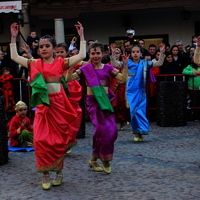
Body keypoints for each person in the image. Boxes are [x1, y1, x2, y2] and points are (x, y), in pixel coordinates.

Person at [10, 21, 86, 190]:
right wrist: (13, 38)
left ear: (53, 48)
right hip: (43, 106)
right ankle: (45, 174)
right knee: (41, 140)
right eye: (41, 47)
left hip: (59, 105)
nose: (43, 49)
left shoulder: (61, 62)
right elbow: (15, 57)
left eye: (47, 46)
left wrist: (81, 37)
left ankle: (58, 172)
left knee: (58, 141)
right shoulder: (35, 63)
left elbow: (81, 56)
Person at [66, 42, 129, 174]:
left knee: (111, 132)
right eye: (93, 53)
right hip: (93, 103)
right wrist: (70, 68)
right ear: (90, 54)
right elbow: (69, 79)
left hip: (106, 102)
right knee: (101, 130)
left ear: (103, 54)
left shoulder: (108, 68)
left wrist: (125, 64)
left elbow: (123, 78)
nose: (95, 56)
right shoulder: (85, 69)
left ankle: (94, 158)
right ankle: (105, 160)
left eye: (98, 53)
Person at [126, 44, 165, 141]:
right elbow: (115, 64)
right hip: (130, 92)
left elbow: (159, 63)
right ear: (130, 54)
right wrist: (113, 54)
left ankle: (140, 134)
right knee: (133, 112)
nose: (135, 54)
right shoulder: (127, 63)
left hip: (141, 92)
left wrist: (162, 52)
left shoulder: (145, 63)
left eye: (137, 52)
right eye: (133, 52)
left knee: (140, 112)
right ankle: (136, 132)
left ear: (141, 54)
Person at [109, 46, 129, 131]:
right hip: (112, 87)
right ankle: (112, 123)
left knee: (121, 105)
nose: (116, 54)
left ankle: (122, 121)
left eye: (117, 53)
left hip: (121, 86)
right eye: (114, 53)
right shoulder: (109, 64)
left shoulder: (122, 64)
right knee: (113, 105)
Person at [182, 51, 200, 120]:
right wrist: (191, 72)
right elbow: (184, 71)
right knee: (194, 103)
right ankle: (195, 116)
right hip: (192, 88)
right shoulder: (190, 66)